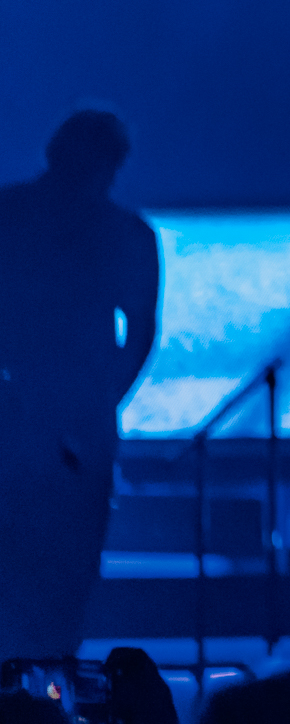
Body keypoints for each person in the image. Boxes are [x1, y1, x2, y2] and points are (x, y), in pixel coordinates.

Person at [0, 110, 159, 661]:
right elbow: (139, 332)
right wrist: (96, 402)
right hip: (67, 418)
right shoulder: (126, 233)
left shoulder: (9, 215)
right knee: (65, 564)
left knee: (41, 562)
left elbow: (140, 331)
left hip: (36, 412)